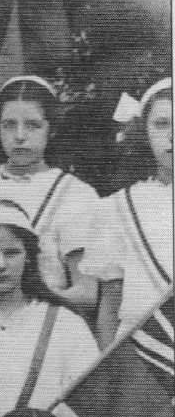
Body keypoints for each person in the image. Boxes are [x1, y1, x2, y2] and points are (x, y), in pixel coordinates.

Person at [0, 201, 99, 417]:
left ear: (28, 256)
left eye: (11, 253)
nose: (0, 265)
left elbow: (92, 408)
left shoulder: (66, 325)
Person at [0, 77, 100, 309]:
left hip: (42, 329)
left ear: (51, 129)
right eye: (9, 124)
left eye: (33, 125)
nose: (20, 136)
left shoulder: (76, 195)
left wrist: (29, 296)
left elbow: (87, 295)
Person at [83, 77, 172, 342]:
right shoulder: (118, 208)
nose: (172, 135)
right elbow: (109, 308)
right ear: (144, 132)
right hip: (145, 358)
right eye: (161, 124)